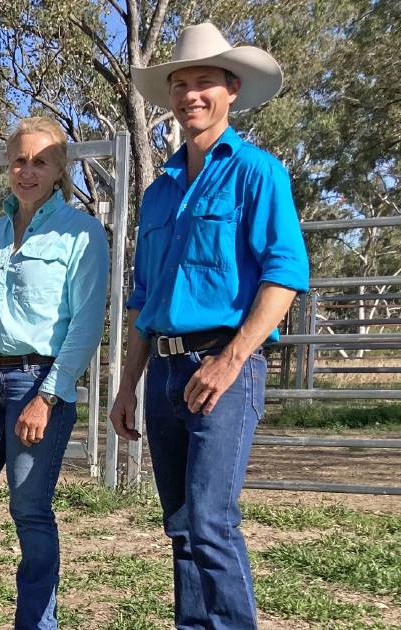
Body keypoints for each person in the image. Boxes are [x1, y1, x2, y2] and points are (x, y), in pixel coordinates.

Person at [111, 22, 310, 629]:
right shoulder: (161, 191)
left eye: (204, 83)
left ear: (230, 90)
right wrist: (126, 385)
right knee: (182, 524)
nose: (190, 95)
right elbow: (144, 299)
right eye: (180, 84)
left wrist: (230, 361)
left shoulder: (257, 173)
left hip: (225, 364)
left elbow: (284, 276)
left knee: (210, 520)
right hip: (165, 370)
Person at [0, 116, 110, 629]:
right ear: (7, 165)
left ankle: (37, 624)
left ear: (61, 169)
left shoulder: (80, 234)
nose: (28, 170)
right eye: (19, 159)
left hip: (37, 383)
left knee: (29, 507)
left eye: (41, 161)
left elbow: (86, 323)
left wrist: (50, 394)